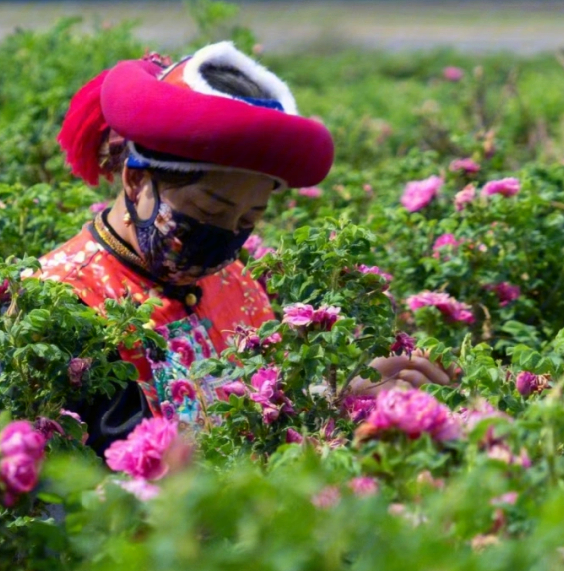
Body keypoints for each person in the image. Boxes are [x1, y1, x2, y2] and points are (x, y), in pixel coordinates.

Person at [33, 41, 456, 455]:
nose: (225, 235)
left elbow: (252, 411)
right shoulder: (66, 307)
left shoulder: (235, 282)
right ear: (136, 180)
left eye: (246, 221)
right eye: (208, 209)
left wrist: (343, 392)